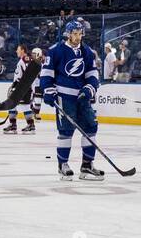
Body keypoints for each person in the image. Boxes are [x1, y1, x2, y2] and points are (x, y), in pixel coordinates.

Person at [41, 18, 104, 180]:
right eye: (74, 34)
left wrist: (89, 89)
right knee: (66, 131)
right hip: (64, 97)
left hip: (82, 98)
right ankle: (63, 165)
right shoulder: (56, 50)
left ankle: (87, 166)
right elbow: (46, 74)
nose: (77, 37)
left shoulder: (87, 51)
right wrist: (48, 91)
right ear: (68, 34)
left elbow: (92, 74)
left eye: (79, 34)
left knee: (91, 128)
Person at [2, 45, 43, 134]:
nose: (16, 51)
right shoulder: (25, 59)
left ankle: (31, 126)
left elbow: (28, 74)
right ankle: (13, 125)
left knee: (24, 106)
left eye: (18, 49)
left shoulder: (26, 59)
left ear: (23, 50)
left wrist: (17, 85)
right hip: (23, 87)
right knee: (12, 105)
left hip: (24, 87)